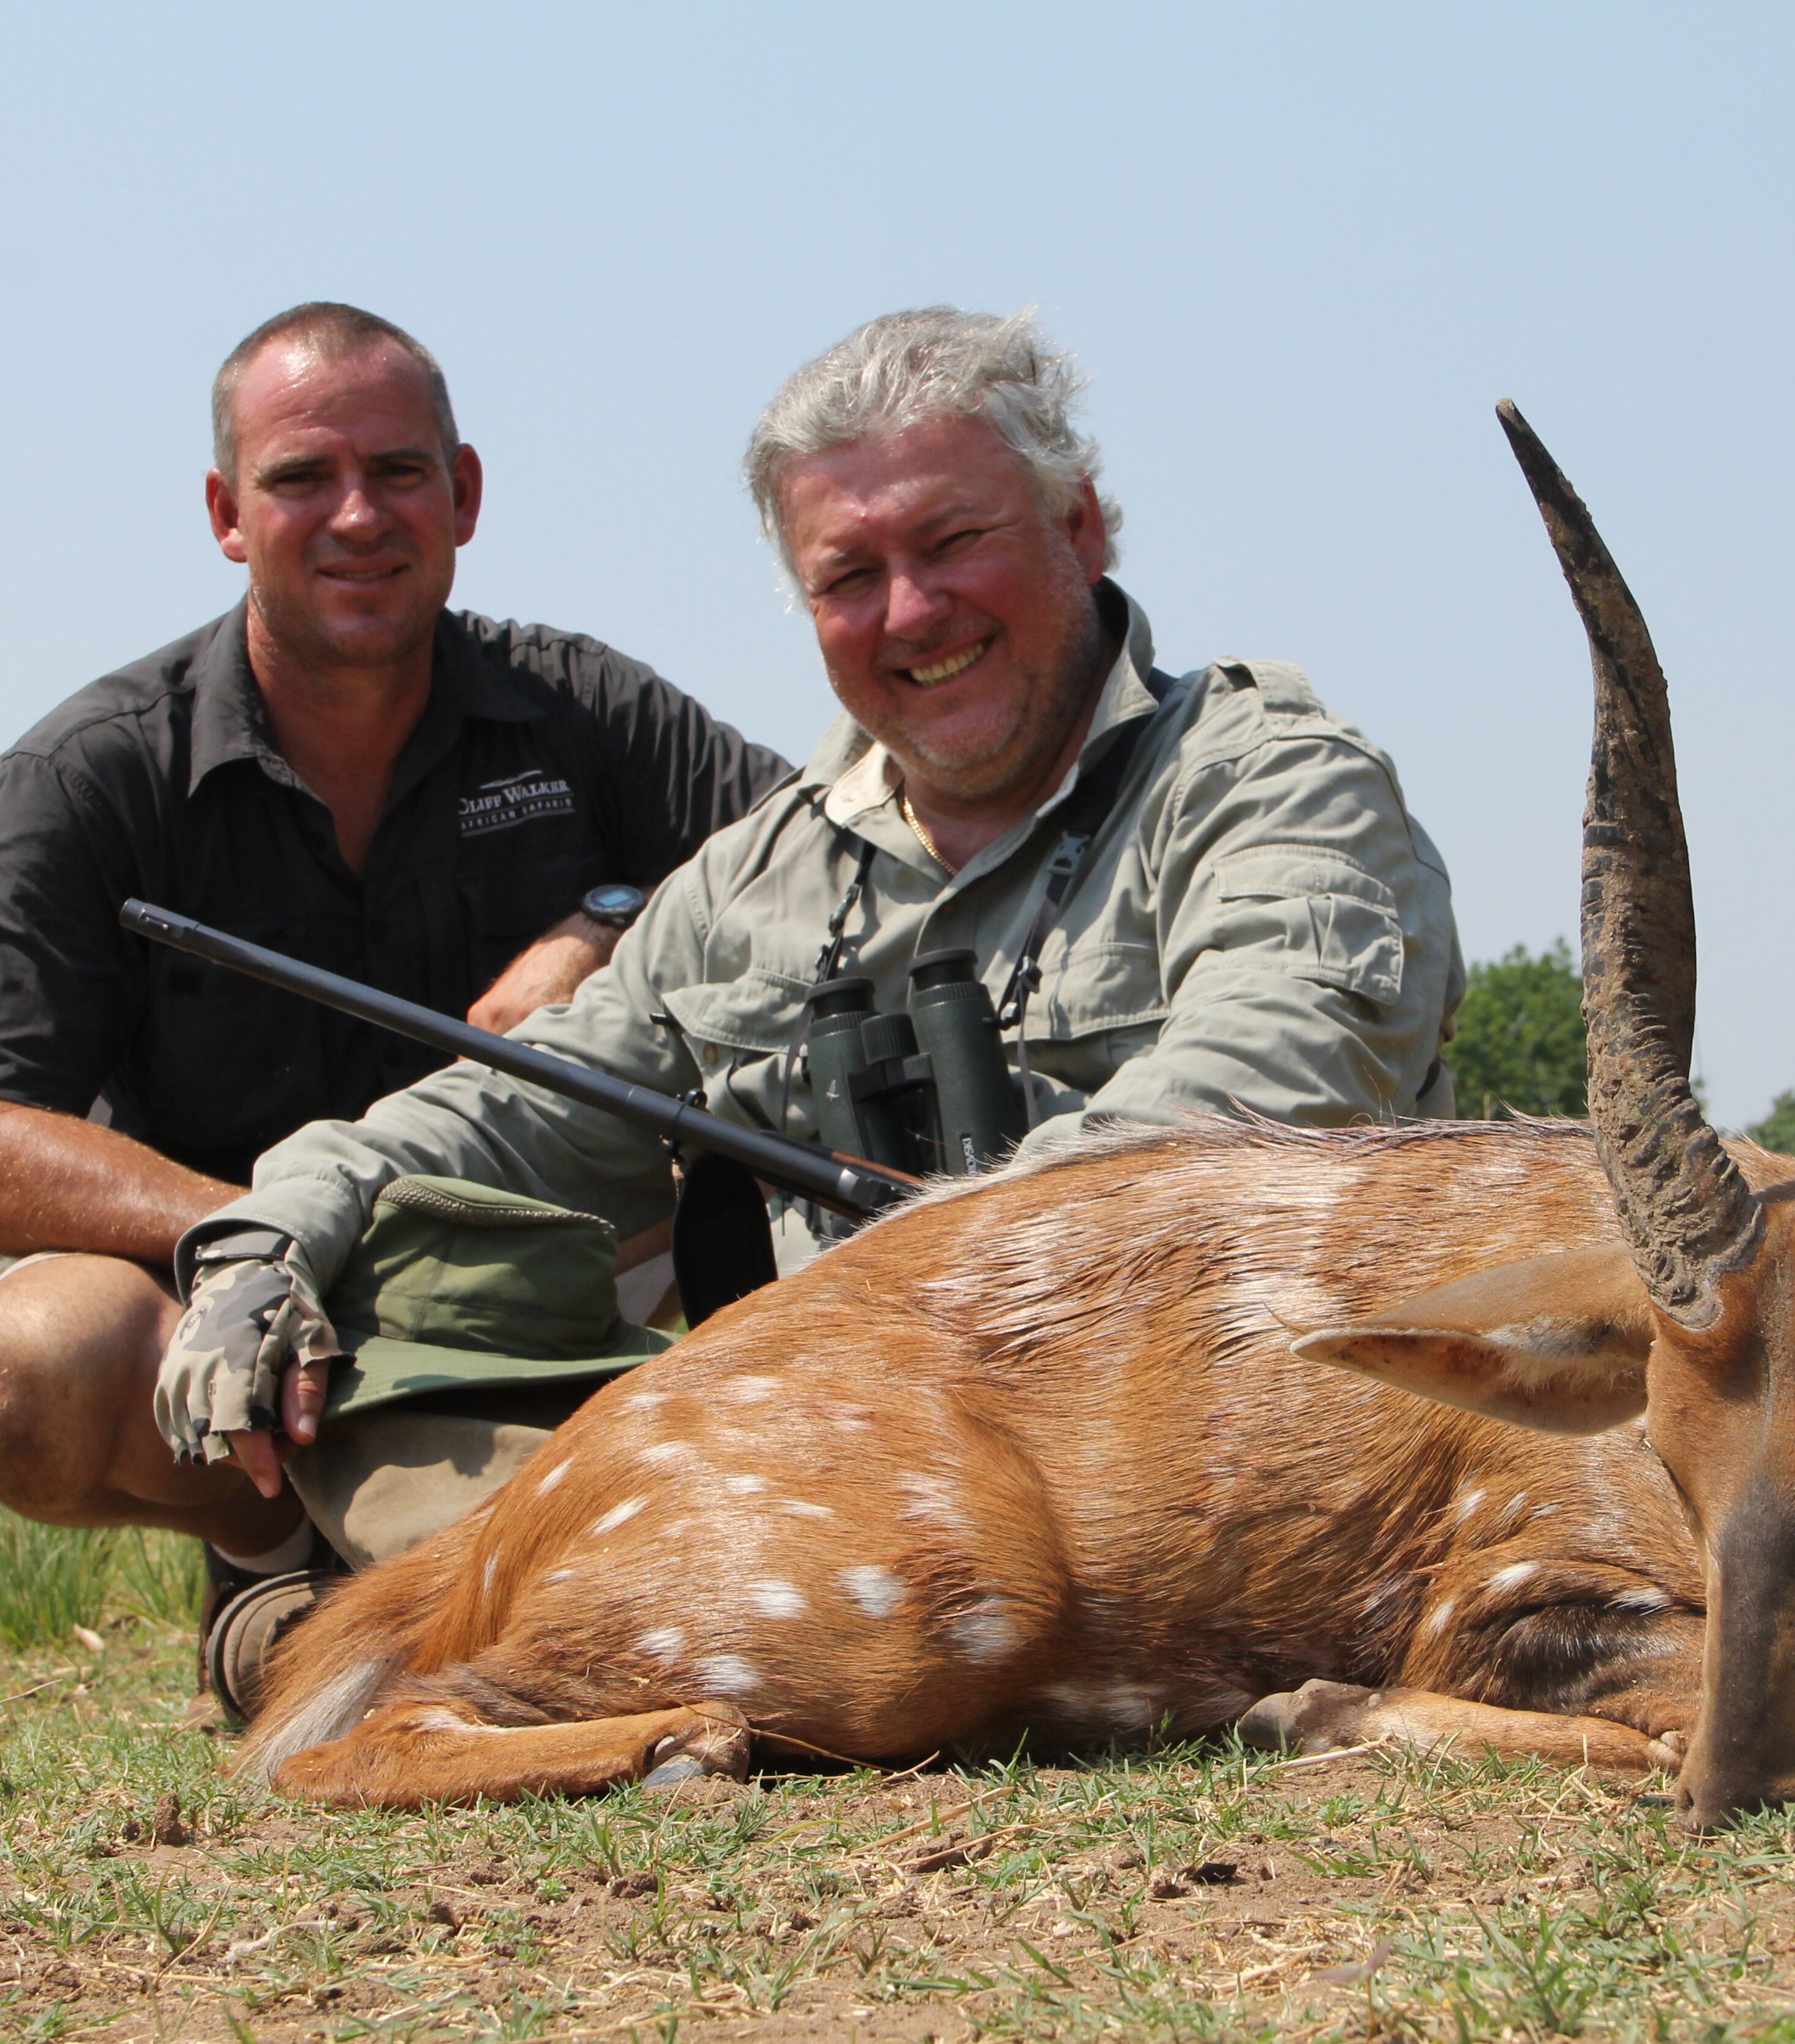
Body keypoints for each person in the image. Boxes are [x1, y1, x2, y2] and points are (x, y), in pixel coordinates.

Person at [157, 307, 1465, 1709]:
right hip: (875, 1498)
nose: (911, 614)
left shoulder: (1274, 781)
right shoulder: (747, 883)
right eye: (850, 575)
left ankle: (390, 1630)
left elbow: (1270, 1087)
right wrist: (268, 1237)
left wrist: (884, 1292)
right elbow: (513, 1108)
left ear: (1080, 525)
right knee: (401, 1294)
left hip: (1227, 1497)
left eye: (954, 543)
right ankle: (410, 1614)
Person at [0, 302, 789, 1664]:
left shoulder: (587, 707)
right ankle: (265, 1551)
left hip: (556, 1291)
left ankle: (459, 1579)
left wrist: (609, 917)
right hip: (237, 1318)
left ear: (466, 493)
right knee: (23, 1365)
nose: (358, 516)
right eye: (302, 478)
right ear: (227, 514)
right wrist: (272, 1242)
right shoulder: (80, 779)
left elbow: (837, 848)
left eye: (398, 472)